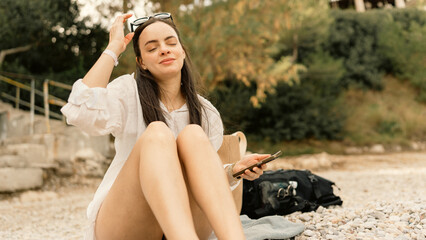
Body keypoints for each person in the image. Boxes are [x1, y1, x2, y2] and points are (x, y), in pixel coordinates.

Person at [61, 13, 269, 240]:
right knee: (158, 133)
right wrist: (113, 49)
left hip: (187, 223)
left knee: (192, 134)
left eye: (171, 43)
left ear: (182, 51)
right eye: (152, 48)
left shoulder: (205, 111)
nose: (164, 50)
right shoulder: (127, 93)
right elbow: (81, 111)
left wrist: (233, 171)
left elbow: (204, 181)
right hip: (127, 222)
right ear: (141, 62)